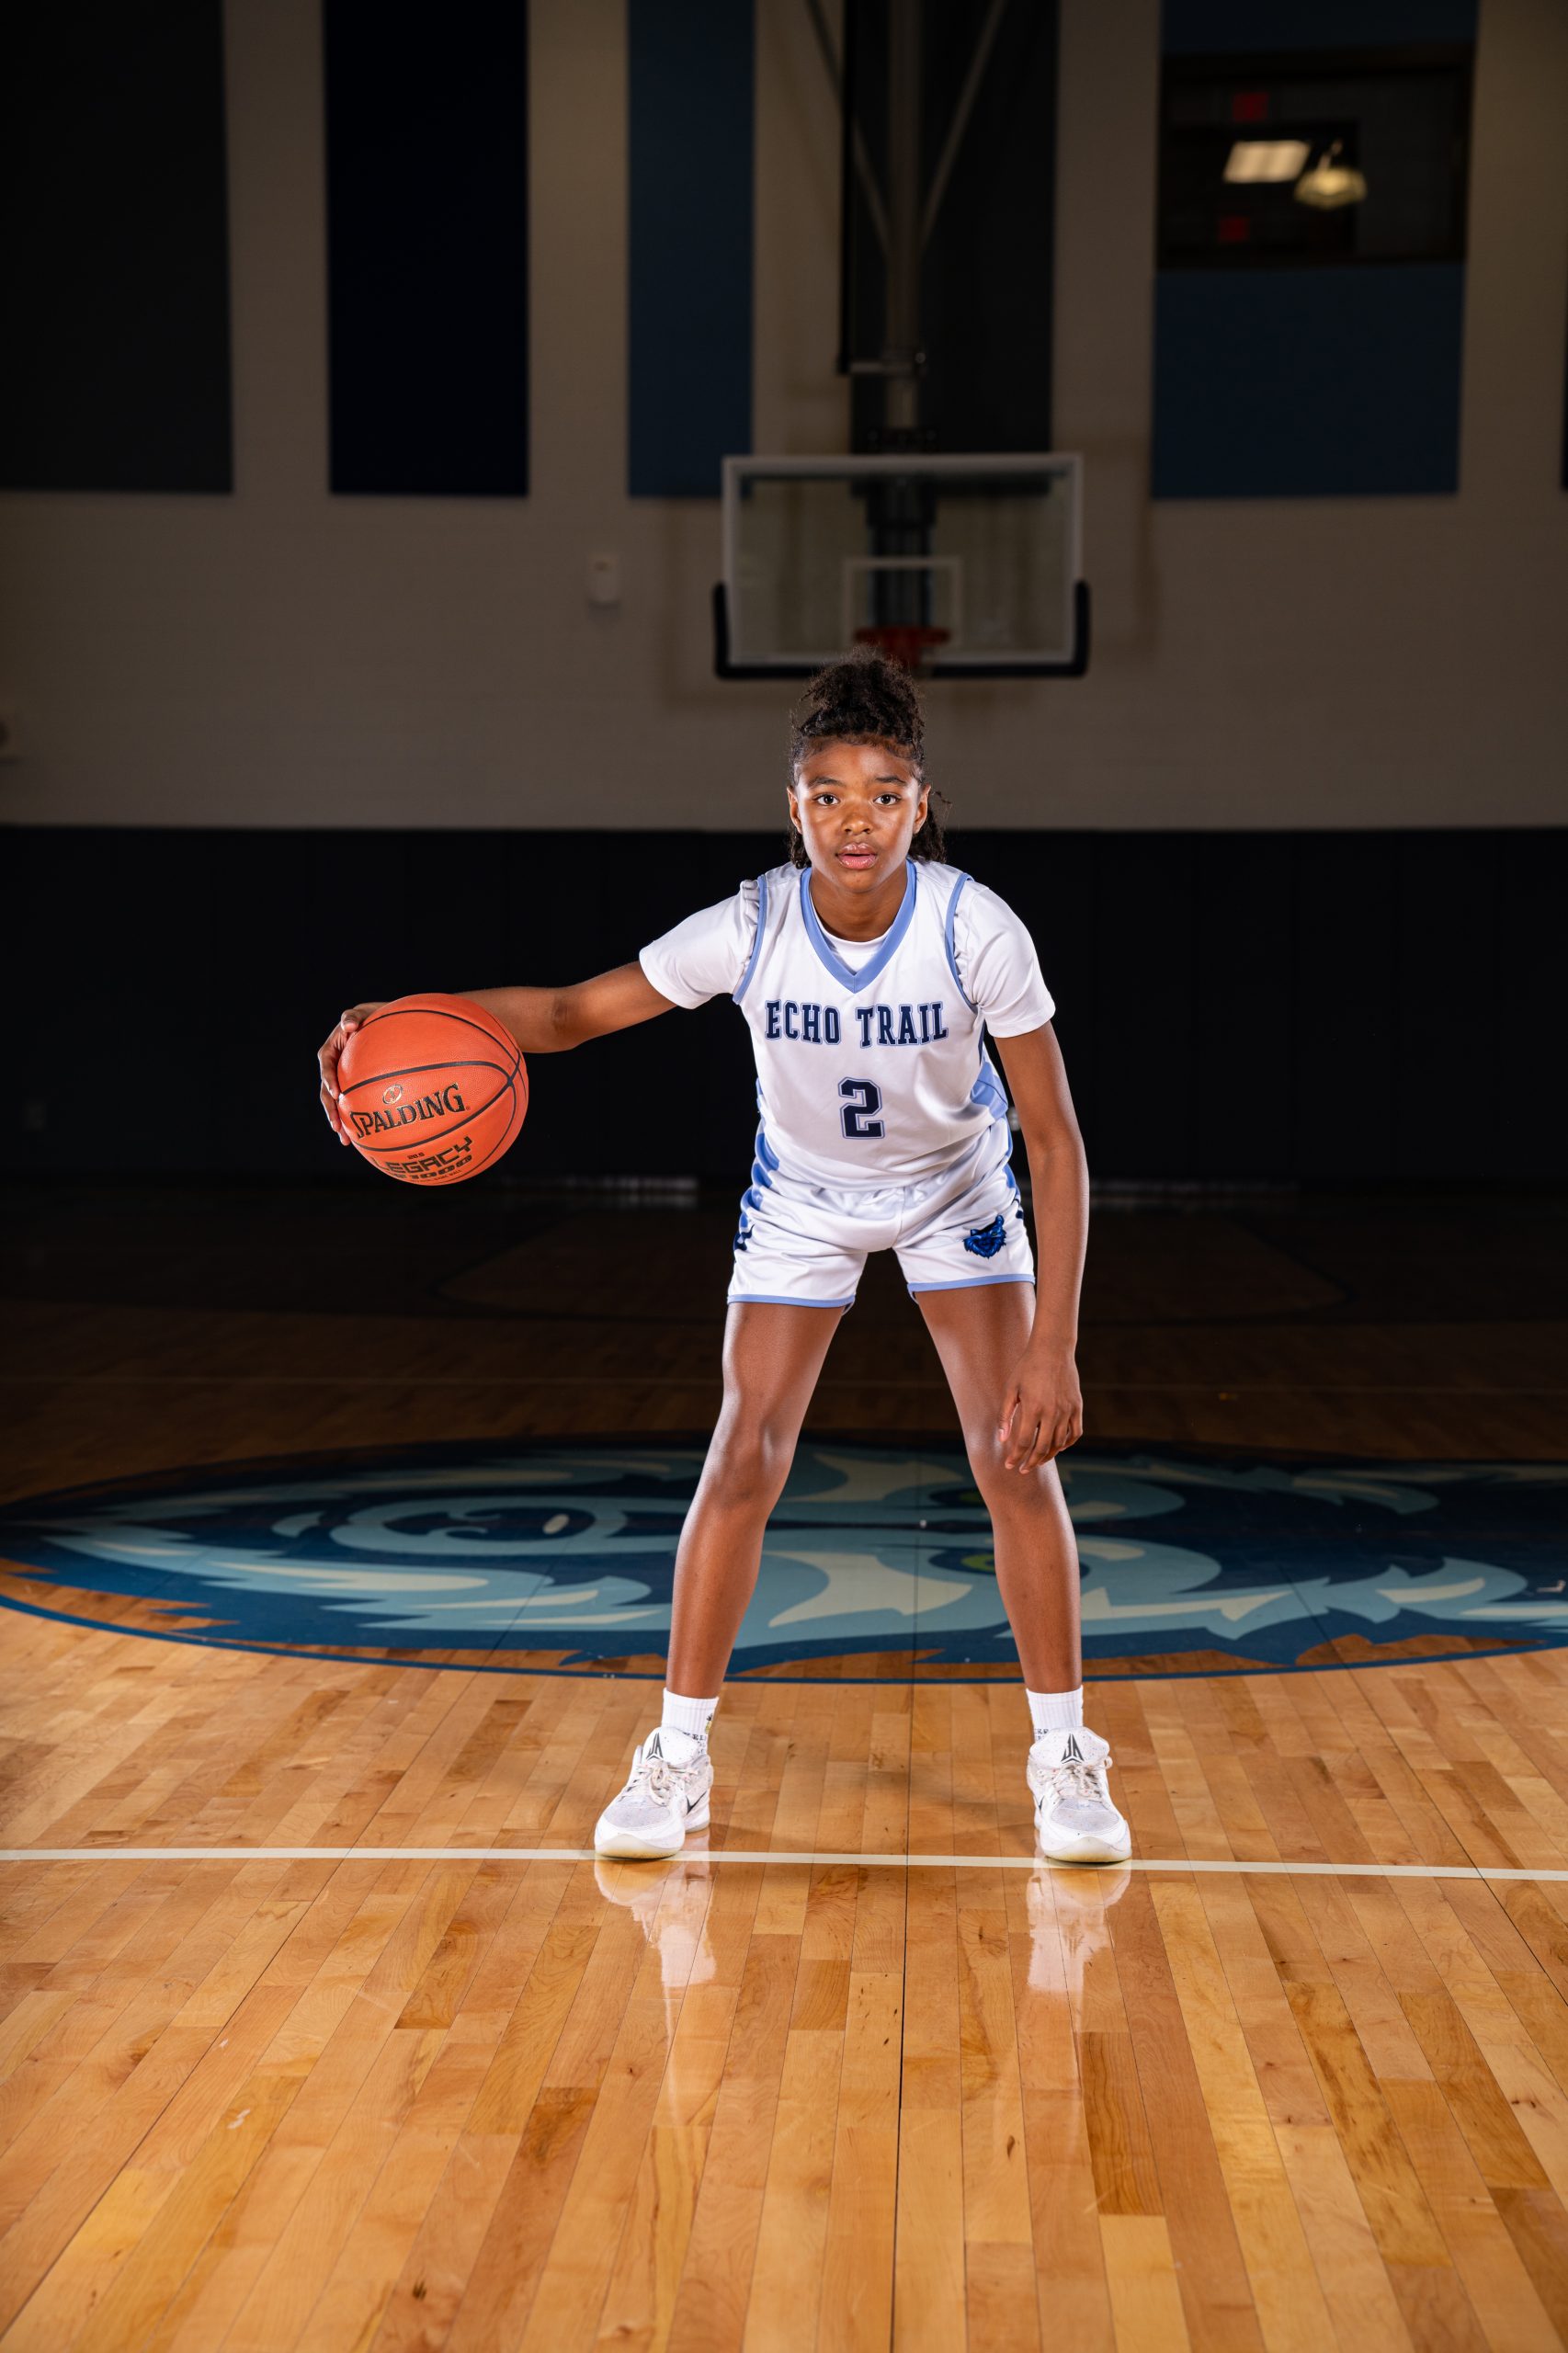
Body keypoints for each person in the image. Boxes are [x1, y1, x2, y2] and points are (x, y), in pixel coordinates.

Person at [317, 651, 1130, 1868]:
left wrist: (1054, 1343)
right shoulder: (750, 927)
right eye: (827, 794)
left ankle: (1064, 1756)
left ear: (920, 805)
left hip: (952, 1193)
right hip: (802, 1198)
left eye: (883, 794)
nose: (854, 820)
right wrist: (400, 1018)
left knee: (1011, 1457)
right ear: (791, 806)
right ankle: (677, 1755)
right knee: (743, 1451)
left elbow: (1054, 1141)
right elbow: (569, 1015)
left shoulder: (976, 929)